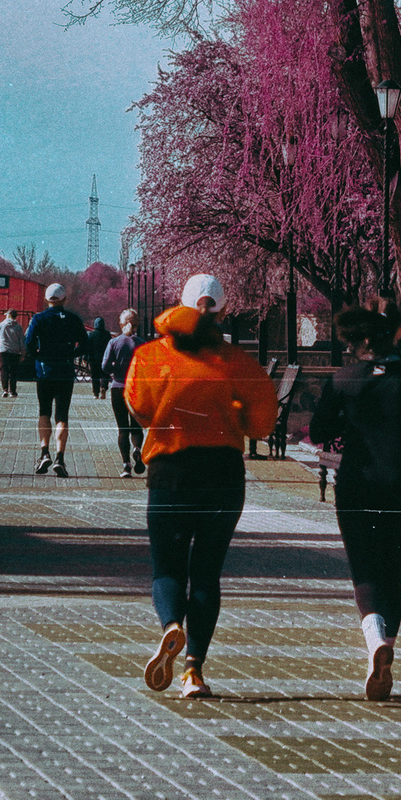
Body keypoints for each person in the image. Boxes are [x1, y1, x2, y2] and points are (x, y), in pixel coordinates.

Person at [124, 298, 277, 699]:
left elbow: (139, 408)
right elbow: (262, 422)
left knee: (167, 567)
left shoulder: (149, 355)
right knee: (207, 571)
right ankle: (195, 671)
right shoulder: (234, 361)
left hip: (170, 471)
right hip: (223, 472)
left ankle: (171, 625)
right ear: (222, 312)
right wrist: (234, 415)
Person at [308, 306, 401, 701]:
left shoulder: (343, 380)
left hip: (356, 482)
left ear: (359, 342)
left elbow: (319, 430)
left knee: (364, 569)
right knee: (391, 573)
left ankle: (374, 644)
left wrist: (347, 425)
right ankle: (387, 643)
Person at [26, 283, 87, 477]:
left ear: (46, 299)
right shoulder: (73, 319)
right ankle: (60, 457)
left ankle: (45, 452)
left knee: (44, 411)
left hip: (44, 371)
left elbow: (28, 342)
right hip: (65, 370)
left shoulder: (38, 318)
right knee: (62, 415)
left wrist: (37, 356)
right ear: (64, 299)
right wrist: (71, 353)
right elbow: (84, 344)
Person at [101, 309, 143, 477]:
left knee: (122, 428)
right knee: (136, 425)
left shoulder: (114, 342)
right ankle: (138, 449)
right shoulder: (141, 343)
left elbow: (104, 366)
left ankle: (126, 466)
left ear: (120, 324)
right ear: (138, 324)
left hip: (118, 386)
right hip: (136, 388)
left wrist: (115, 370)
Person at [0, 309, 25, 398]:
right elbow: (22, 341)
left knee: (4, 370)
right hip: (15, 352)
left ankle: (5, 390)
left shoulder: (1, 325)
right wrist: (23, 353)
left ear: (8, 315)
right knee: (13, 371)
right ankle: (13, 391)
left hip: (3, 351)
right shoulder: (18, 327)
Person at [85, 316, 113, 398]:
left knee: (95, 376)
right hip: (105, 357)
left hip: (93, 359)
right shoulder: (107, 334)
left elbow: (88, 347)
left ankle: (96, 393)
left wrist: (85, 358)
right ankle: (104, 387)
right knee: (105, 374)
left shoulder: (91, 334)